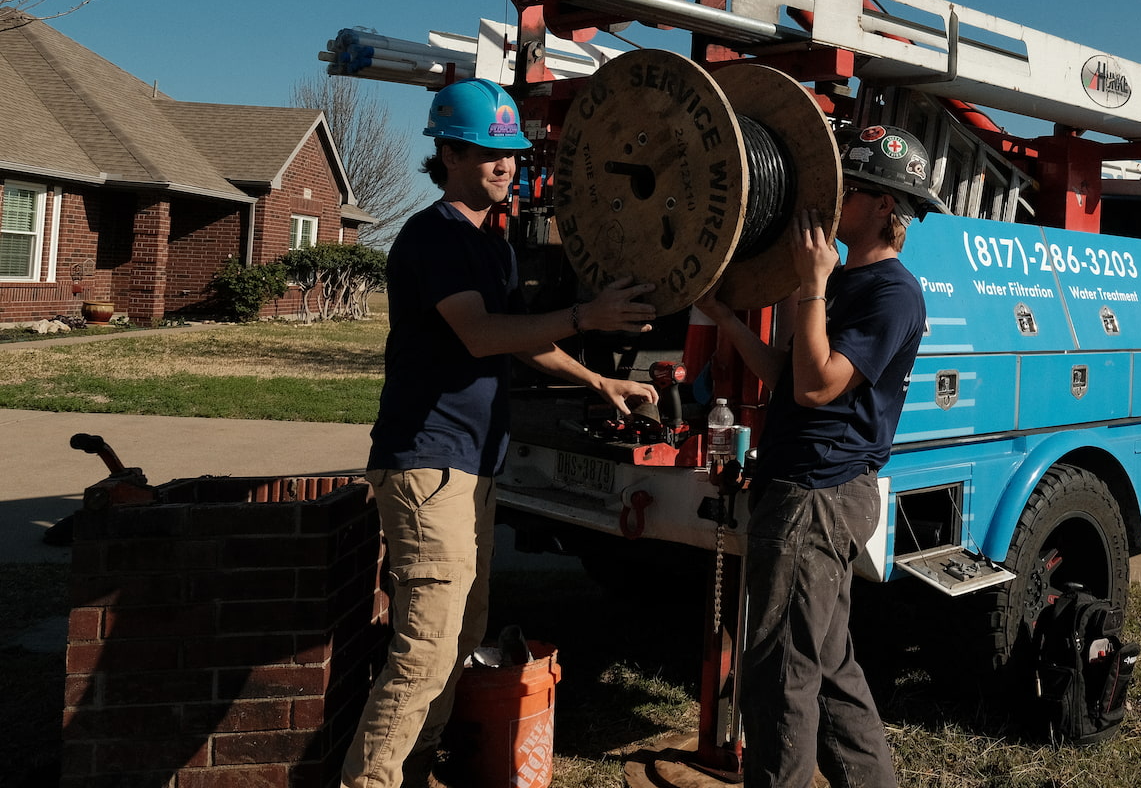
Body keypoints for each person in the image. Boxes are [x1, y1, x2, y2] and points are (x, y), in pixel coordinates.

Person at [340, 78, 659, 788]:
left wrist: (599, 381)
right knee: (425, 648)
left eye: (511, 152)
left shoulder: (492, 245)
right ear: (448, 152)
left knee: (461, 638)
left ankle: (415, 769)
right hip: (428, 466)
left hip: (472, 466)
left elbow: (522, 340)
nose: (503, 164)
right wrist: (585, 316)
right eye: (486, 151)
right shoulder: (437, 236)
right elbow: (482, 335)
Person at [697, 124, 945, 788]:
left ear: (888, 207)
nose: (836, 198)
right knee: (829, 672)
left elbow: (816, 385)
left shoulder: (892, 292)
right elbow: (789, 373)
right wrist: (727, 320)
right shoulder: (845, 283)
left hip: (816, 498)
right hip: (809, 491)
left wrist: (810, 283)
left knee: (779, 679)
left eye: (853, 188)